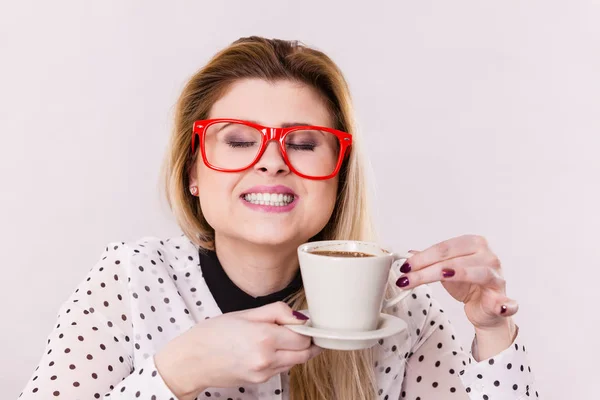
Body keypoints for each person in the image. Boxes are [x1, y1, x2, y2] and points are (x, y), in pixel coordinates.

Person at [19, 36, 538, 400]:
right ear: (192, 173)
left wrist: (494, 331)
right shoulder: (130, 282)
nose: (271, 160)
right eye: (240, 140)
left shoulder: (400, 308)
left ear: (337, 179)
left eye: (304, 144)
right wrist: (179, 371)